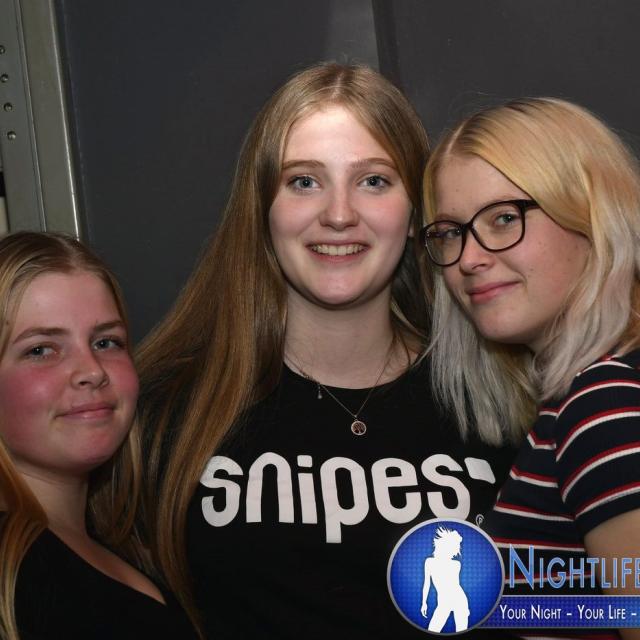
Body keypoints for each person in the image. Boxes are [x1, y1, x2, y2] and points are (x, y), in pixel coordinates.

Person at [137, 62, 516, 639]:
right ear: (262, 209)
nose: (339, 215)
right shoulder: (167, 414)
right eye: (304, 182)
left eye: (374, 181)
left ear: (416, 214)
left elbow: (581, 605)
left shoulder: (501, 401)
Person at [421, 97, 640, 640]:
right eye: (450, 232)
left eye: (503, 219)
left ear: (590, 215)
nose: (469, 258)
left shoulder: (604, 405)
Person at [0, 232, 196, 640]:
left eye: (106, 342)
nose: (92, 370)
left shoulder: (132, 547)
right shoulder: (11, 569)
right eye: (41, 350)